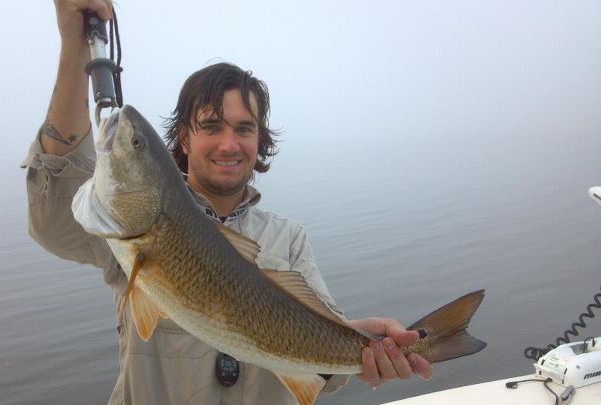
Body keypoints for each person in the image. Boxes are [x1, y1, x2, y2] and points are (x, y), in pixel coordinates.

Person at [22, 1, 433, 403]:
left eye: (244, 128)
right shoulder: (123, 233)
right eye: (211, 126)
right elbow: (53, 213)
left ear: (259, 140)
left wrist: (363, 347)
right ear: (184, 138)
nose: (229, 143)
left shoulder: (288, 239)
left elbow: (319, 359)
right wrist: (73, 46)